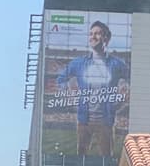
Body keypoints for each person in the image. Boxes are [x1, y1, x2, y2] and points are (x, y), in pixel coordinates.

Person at [55, 19, 130, 157]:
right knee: (81, 158)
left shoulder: (117, 64)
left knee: (106, 159)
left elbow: (132, 81)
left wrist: (122, 100)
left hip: (106, 122)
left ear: (106, 38)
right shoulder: (79, 63)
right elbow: (60, 79)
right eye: (91, 34)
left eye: (97, 34)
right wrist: (69, 93)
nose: (92, 37)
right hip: (84, 121)